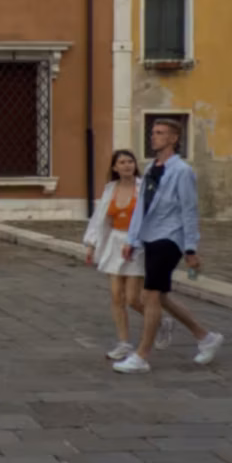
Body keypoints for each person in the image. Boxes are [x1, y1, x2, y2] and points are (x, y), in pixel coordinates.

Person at [113, 118, 224, 373]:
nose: (154, 136)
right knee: (160, 295)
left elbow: (189, 209)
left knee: (149, 295)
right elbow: (141, 207)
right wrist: (132, 239)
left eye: (161, 133)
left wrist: (191, 248)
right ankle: (206, 337)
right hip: (150, 236)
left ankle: (141, 356)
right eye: (153, 132)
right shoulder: (151, 167)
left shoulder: (182, 171)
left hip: (170, 238)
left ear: (174, 139)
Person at [83, 149, 146, 360]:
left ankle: (157, 321)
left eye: (130, 161)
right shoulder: (110, 189)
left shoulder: (144, 187)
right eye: (122, 162)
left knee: (132, 299)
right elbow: (99, 219)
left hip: (136, 245)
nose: (127, 165)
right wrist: (91, 245)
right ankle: (124, 343)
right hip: (114, 243)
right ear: (115, 168)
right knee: (116, 297)